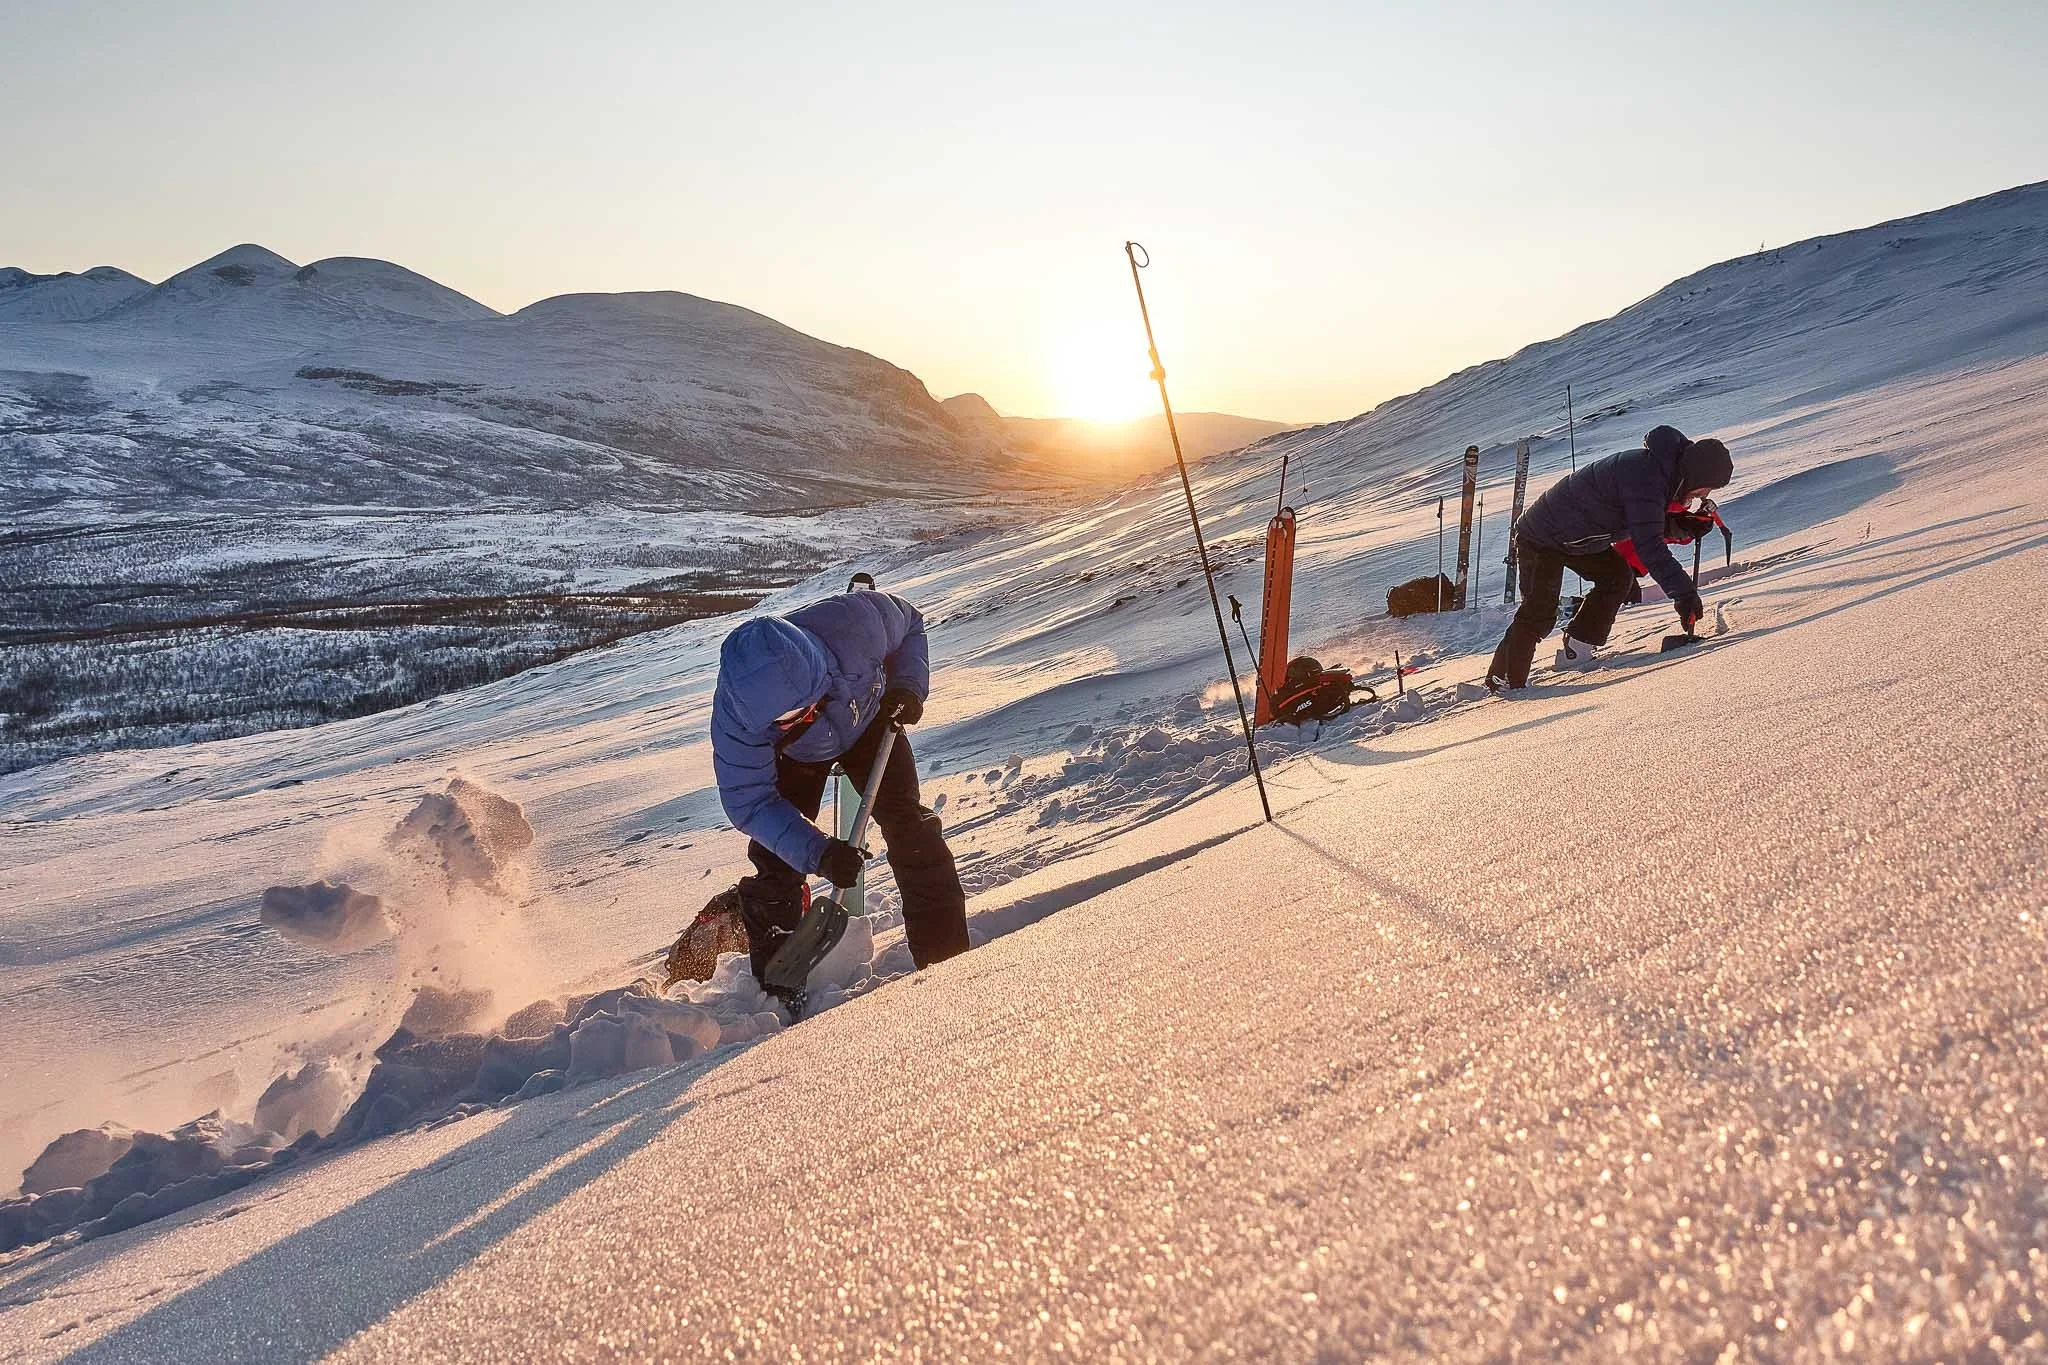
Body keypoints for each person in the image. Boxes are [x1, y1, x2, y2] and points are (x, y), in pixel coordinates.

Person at [708, 588, 969, 1005]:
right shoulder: (738, 722)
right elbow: (750, 802)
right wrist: (819, 852)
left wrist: (907, 687)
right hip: (794, 756)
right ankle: (777, 992)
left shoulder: (854, 624)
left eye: (810, 704)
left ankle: (948, 961)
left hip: (869, 722)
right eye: (790, 718)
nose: (806, 717)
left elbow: (912, 626)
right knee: (778, 863)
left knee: (911, 830)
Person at [1487, 425, 1732, 690]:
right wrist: (1684, 594)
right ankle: (1505, 681)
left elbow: (1645, 522)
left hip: (1578, 536)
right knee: (1539, 611)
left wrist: (1685, 525)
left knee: (1616, 577)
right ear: (1694, 476)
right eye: (1703, 489)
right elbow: (1649, 544)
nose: (1703, 496)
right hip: (1542, 536)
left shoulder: (1662, 472)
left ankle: (1577, 647)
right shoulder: (1646, 477)